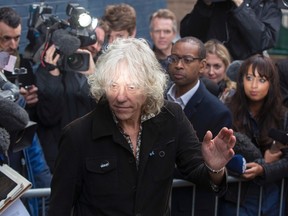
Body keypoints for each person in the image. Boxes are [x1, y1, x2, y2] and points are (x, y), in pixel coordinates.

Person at [48, 37, 236, 216]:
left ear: (149, 85)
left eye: (131, 87)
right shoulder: (78, 135)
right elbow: (60, 208)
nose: (121, 97)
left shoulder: (171, 118)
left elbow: (199, 174)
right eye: (113, 86)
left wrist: (215, 168)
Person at [166, 36, 232, 216]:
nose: (179, 65)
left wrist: (215, 170)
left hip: (190, 206)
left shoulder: (217, 111)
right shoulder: (157, 99)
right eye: (174, 59)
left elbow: (209, 170)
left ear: (202, 66)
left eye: (187, 60)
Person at [220, 54, 288, 216]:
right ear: (241, 80)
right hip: (237, 197)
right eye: (249, 78)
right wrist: (261, 162)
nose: (254, 85)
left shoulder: (282, 115)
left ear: (271, 83)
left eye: (262, 80)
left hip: (272, 195)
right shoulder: (227, 110)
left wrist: (263, 168)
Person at [0, 7, 51, 216]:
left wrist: (25, 100)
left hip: (23, 148)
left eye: (17, 38)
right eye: (5, 39)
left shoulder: (13, 60)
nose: (12, 45)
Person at [180, 0, 282, 60]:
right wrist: (205, 5)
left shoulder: (265, 4)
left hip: (245, 71)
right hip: (211, 69)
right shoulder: (213, 4)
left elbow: (264, 41)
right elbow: (188, 36)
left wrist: (240, 5)